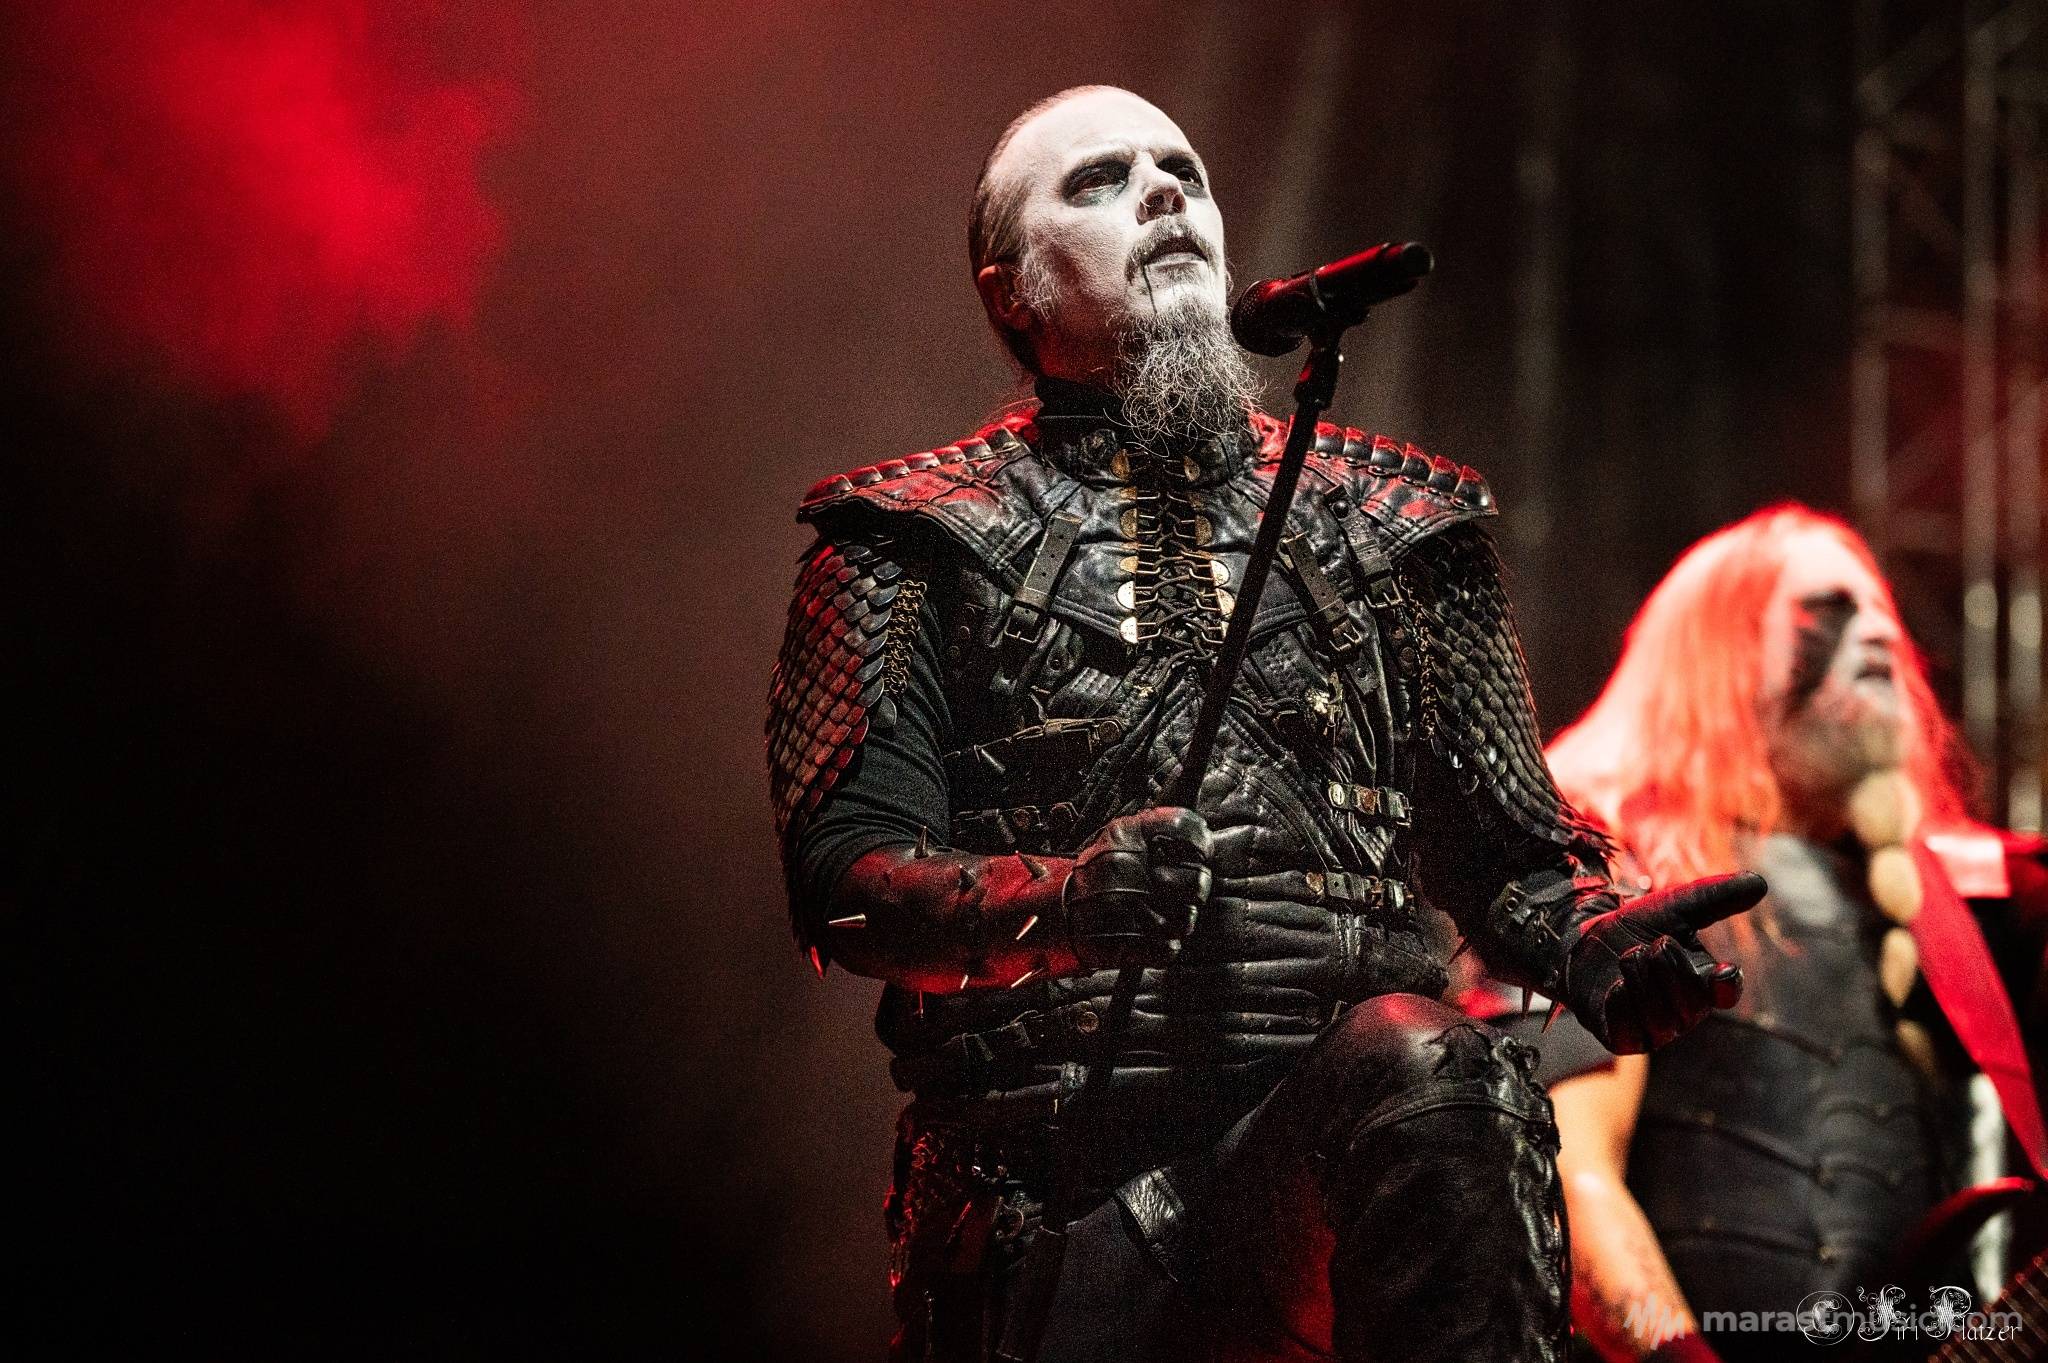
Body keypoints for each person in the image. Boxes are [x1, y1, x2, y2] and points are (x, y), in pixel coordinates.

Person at [765, 84, 1762, 1363]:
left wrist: (1587, 936)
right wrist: (1060, 904)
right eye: (1099, 180)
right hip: (1056, 1219)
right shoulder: (907, 541)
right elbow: (845, 888)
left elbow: (1508, 854)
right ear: (1011, 292)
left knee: (1435, 1066)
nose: (1161, 191)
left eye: (1181, 169)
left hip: (1331, 1168)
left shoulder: (1401, 526)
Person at [1475, 506, 2048, 1362]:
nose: (1878, 633)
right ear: (1724, 654)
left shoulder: (1956, 905)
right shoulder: (1613, 851)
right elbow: (1564, 1167)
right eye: (1830, 610)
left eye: (1883, 612)